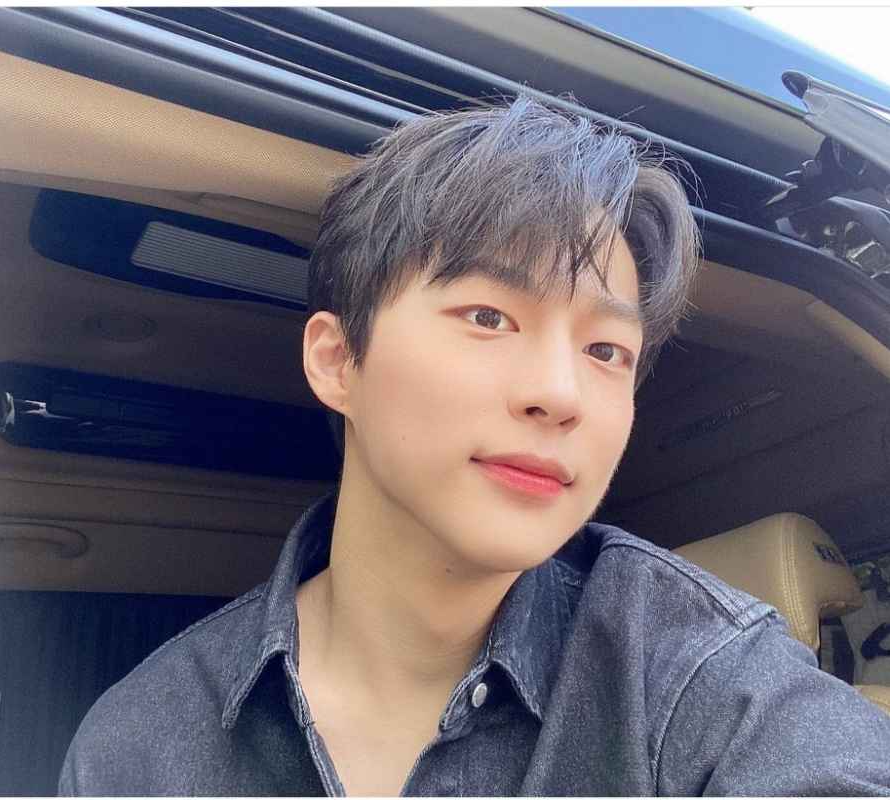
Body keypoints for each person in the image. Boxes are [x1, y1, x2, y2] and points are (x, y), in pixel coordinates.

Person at [58, 97, 890, 796]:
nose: (561, 394)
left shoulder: (692, 674)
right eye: (490, 317)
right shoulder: (140, 745)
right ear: (338, 360)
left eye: (606, 351)